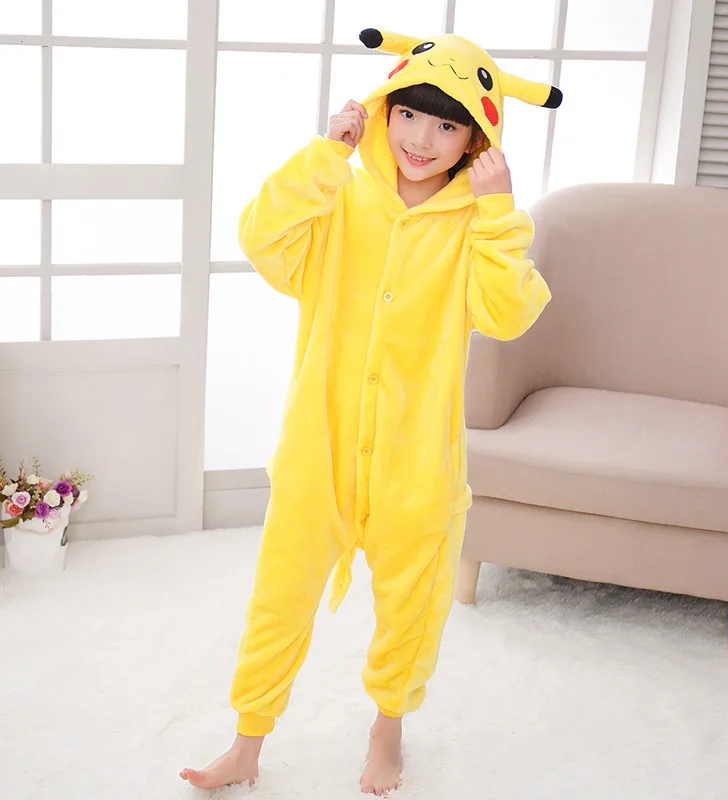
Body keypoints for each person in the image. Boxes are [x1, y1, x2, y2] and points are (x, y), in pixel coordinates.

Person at [181, 27, 561, 796]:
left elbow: (509, 312)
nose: (421, 139)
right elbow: (261, 236)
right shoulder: (341, 197)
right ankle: (247, 741)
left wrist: (497, 213)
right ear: (384, 110)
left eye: (447, 125)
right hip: (317, 449)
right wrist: (327, 155)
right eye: (408, 114)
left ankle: (388, 730)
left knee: (411, 606)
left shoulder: (472, 224)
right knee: (280, 596)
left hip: (416, 463)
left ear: (476, 141)